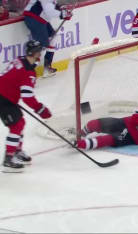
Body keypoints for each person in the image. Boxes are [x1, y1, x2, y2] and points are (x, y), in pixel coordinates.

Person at [0, 40, 52, 173]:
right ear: (35, 53)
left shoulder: (20, 60)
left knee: (20, 122)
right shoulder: (28, 72)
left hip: (7, 98)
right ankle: (8, 159)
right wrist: (41, 110)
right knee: (16, 126)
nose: (40, 53)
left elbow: (9, 78)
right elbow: (27, 97)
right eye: (39, 51)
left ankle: (17, 152)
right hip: (3, 100)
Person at [23, 0, 73, 77]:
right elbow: (48, 10)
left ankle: (47, 67)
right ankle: (29, 70)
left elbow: (51, 6)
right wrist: (62, 14)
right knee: (40, 45)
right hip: (33, 18)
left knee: (52, 37)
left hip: (40, 19)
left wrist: (61, 9)